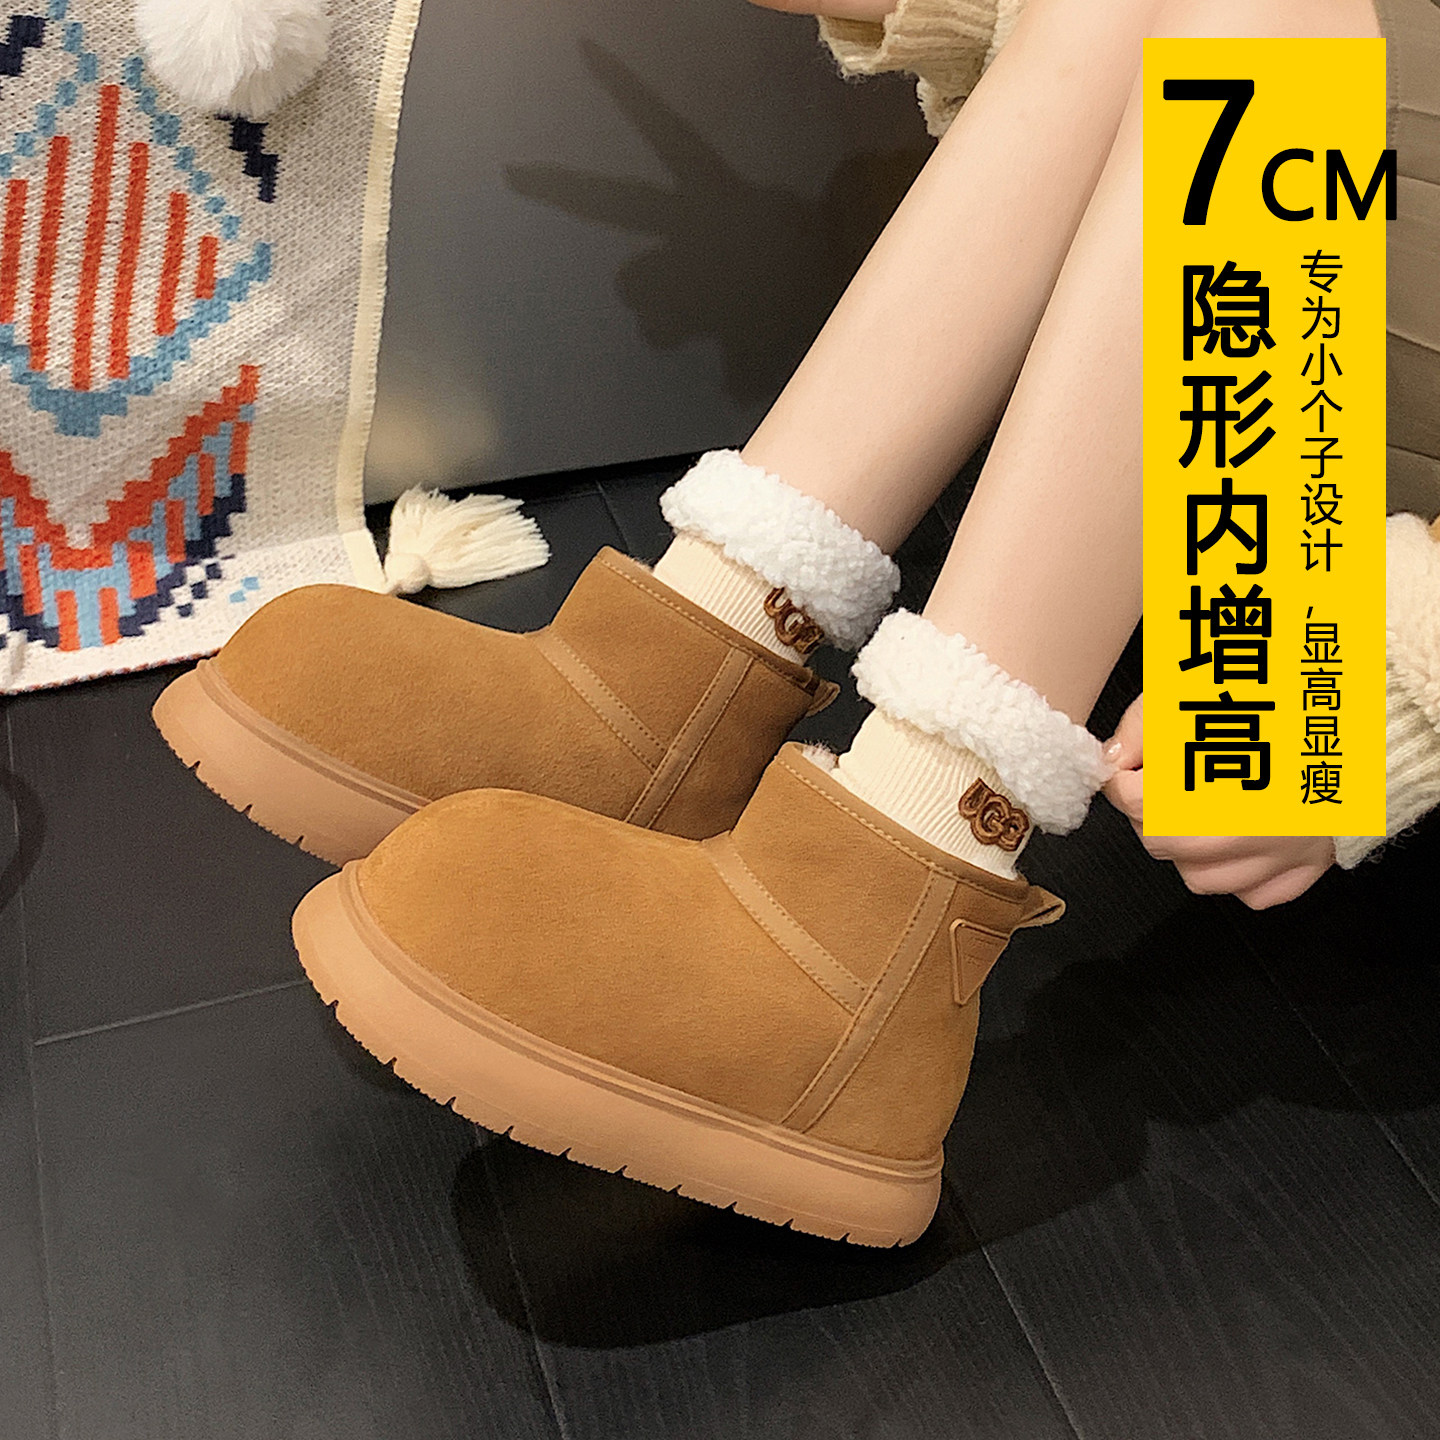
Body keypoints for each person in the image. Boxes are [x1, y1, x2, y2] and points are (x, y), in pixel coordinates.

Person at [156, 0, 1440, 1245]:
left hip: (1324, 504)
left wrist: (1391, 667)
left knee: (1281, 34)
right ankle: (675, 683)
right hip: (1266, 412)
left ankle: (891, 904)